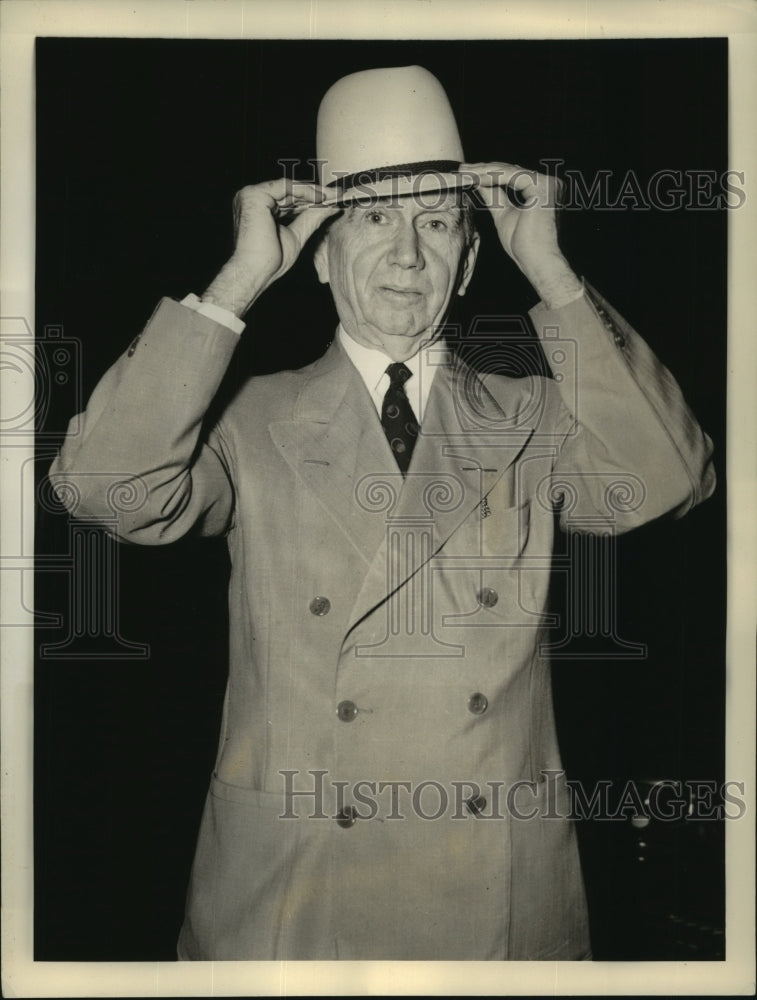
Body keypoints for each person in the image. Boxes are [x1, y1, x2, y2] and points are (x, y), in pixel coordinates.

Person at [49, 65, 715, 961]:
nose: (408, 254)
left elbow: (669, 477)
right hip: (297, 879)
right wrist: (236, 285)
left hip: (492, 887)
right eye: (373, 219)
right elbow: (105, 491)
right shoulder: (248, 418)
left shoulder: (532, 417)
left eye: (438, 223)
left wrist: (554, 276)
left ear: (471, 260)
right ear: (318, 255)